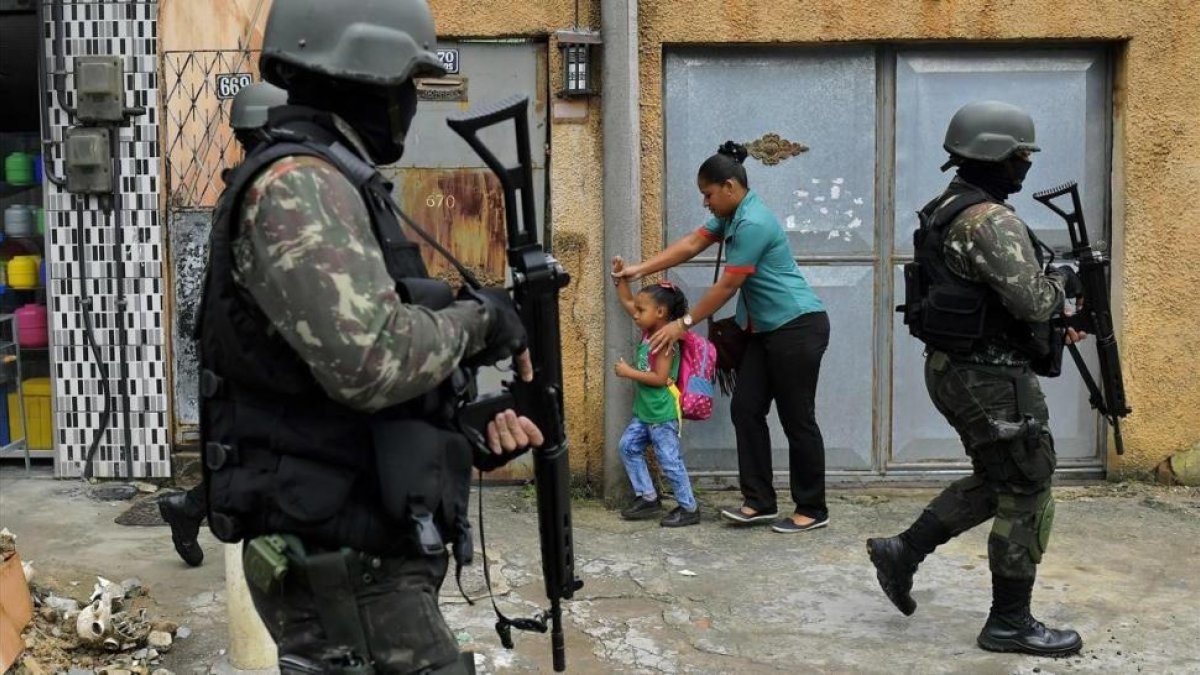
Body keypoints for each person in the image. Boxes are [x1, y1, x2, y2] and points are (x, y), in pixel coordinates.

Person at [198, 0, 543, 672]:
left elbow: (327, 385)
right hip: (339, 563)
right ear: (367, 76)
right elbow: (373, 360)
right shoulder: (299, 185)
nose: (411, 102)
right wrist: (483, 321)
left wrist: (459, 433)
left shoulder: (336, 179)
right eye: (406, 83)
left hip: (361, 547)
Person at [868, 100, 1087, 657]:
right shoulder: (989, 219)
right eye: (1020, 156)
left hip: (957, 369)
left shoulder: (947, 206)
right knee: (1028, 484)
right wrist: (1065, 280)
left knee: (1001, 478)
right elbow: (1034, 300)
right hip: (987, 376)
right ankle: (1009, 623)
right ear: (996, 155)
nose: (1025, 166)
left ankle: (903, 551)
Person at [612, 141, 830, 534]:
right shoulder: (732, 217)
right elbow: (691, 244)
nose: (706, 203)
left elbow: (729, 285)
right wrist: (639, 269)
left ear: (729, 187)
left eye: (709, 195)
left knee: (798, 419)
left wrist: (685, 321)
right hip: (765, 332)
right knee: (745, 410)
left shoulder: (753, 223)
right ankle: (760, 501)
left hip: (797, 326)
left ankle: (812, 508)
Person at [158, 80, 289, 568]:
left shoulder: (244, 187)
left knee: (245, 447)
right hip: (239, 347)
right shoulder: (258, 193)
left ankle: (189, 508)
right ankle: (191, 509)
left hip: (232, 342)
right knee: (251, 448)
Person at [610, 260, 700, 527]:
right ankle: (648, 497)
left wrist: (628, 372)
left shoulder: (664, 341)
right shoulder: (649, 331)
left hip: (662, 414)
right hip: (645, 413)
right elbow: (628, 301)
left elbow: (660, 379)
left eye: (641, 310)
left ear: (660, 312)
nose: (634, 314)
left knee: (669, 461)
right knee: (628, 447)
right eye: (636, 310)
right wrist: (620, 279)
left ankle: (689, 507)